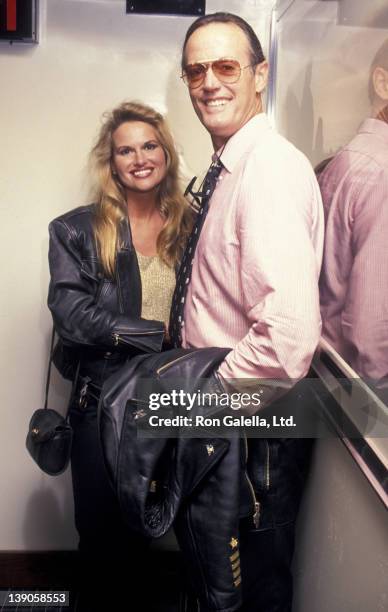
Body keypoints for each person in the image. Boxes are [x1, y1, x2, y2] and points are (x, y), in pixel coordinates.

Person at [170, 12, 324, 611]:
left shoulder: (267, 170)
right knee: (214, 588)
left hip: (250, 431)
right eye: (195, 71)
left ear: (260, 75)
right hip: (233, 423)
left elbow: (286, 341)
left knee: (249, 591)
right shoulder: (232, 166)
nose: (209, 82)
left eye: (226, 66)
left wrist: (198, 411)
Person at [47, 100, 191, 611]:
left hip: (171, 404)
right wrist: (159, 336)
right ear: (111, 164)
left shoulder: (190, 225)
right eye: (125, 151)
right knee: (103, 544)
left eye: (149, 146)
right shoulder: (76, 230)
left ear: (166, 154)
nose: (139, 159)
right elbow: (71, 315)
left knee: (146, 536)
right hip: (100, 405)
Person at [318, 39, 388, 393]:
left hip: (332, 374)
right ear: (383, 83)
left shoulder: (350, 158)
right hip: (361, 396)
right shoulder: (383, 170)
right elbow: (369, 325)